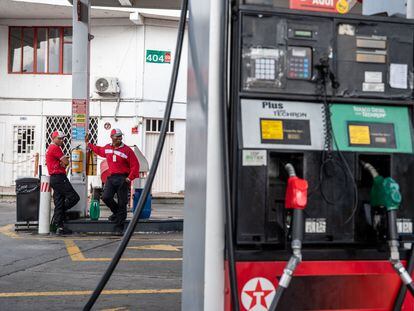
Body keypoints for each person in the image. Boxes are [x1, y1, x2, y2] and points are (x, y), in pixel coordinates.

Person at [87, 129, 139, 231]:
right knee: (106, 197)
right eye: (117, 136)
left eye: (120, 136)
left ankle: (119, 226)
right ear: (112, 137)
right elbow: (99, 150)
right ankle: (117, 213)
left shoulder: (128, 150)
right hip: (111, 177)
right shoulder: (107, 148)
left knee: (122, 202)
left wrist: (129, 178)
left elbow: (135, 165)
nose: (120, 138)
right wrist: (88, 144)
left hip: (123, 178)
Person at [46, 131, 80, 235]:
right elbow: (66, 162)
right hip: (59, 177)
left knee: (59, 202)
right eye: (59, 138)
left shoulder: (50, 148)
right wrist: (64, 162)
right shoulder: (55, 148)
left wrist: (63, 162)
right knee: (74, 197)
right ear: (54, 138)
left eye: (62, 138)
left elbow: (63, 162)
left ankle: (59, 226)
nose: (62, 140)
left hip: (54, 178)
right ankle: (60, 216)